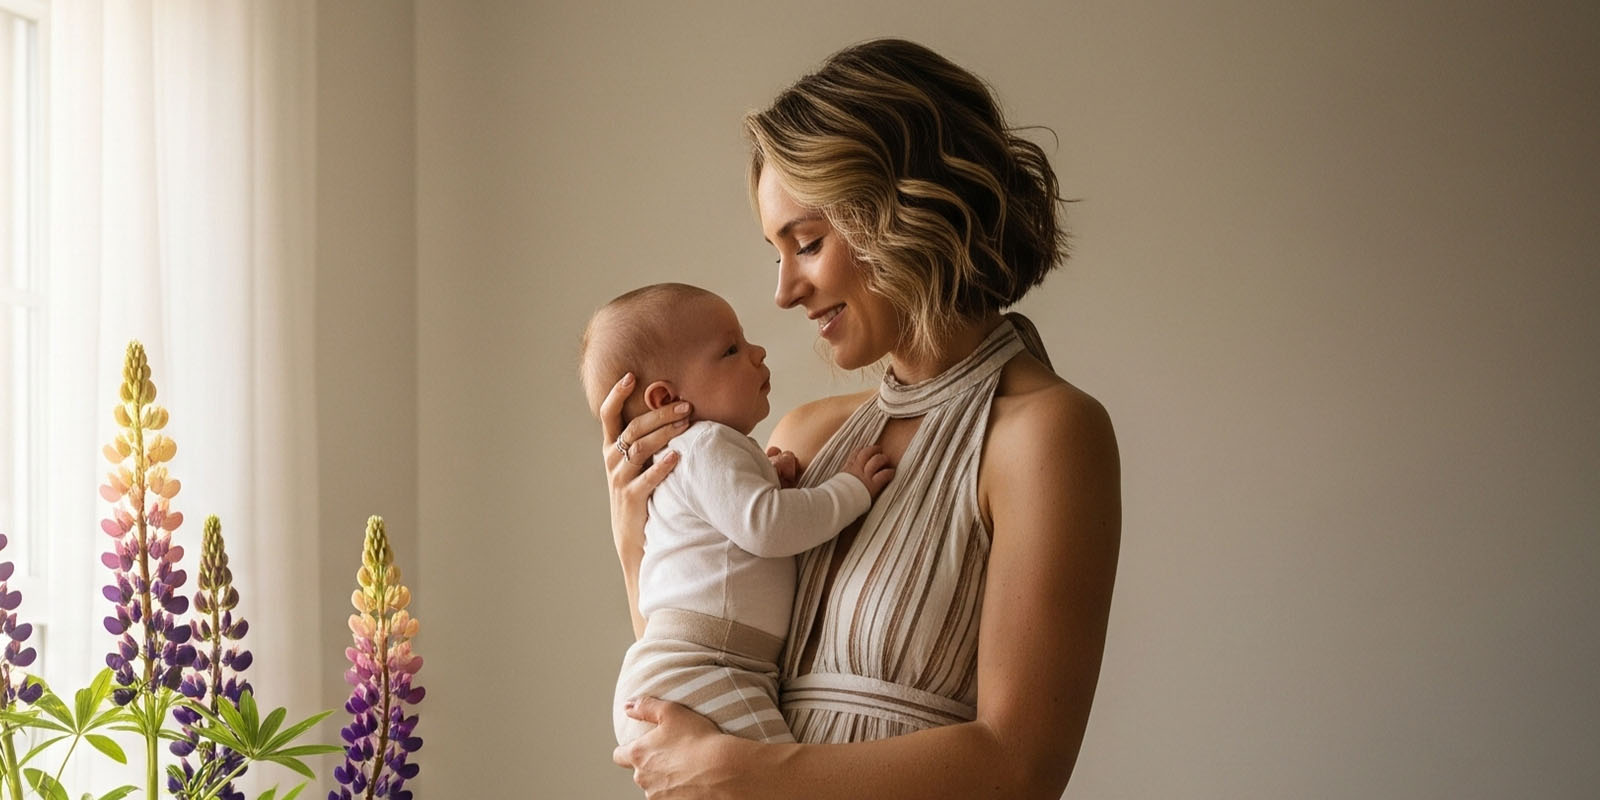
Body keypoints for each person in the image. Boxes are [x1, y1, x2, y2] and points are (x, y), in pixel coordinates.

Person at [599, 38, 1121, 798]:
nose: (783, 292)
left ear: (904, 213)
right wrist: (630, 541)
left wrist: (762, 774)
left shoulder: (1044, 436)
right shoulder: (801, 441)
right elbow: (704, 680)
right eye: (776, 252)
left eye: (807, 243)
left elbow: (1023, 767)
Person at [578, 283, 895, 746]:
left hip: (692, 670)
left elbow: (735, 538)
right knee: (778, 781)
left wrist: (769, 483)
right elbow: (766, 527)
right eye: (730, 349)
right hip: (705, 669)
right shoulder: (706, 443)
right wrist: (850, 488)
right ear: (665, 401)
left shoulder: (694, 459)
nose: (757, 352)